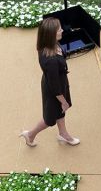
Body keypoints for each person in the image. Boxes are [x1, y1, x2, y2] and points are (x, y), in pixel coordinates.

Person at [20, 17, 80, 147]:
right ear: (51, 34)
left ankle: (63, 134)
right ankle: (30, 134)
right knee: (49, 118)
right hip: (54, 90)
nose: (62, 30)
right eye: (59, 29)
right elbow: (54, 87)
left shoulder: (52, 44)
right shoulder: (50, 60)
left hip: (58, 82)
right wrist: (63, 101)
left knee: (60, 112)